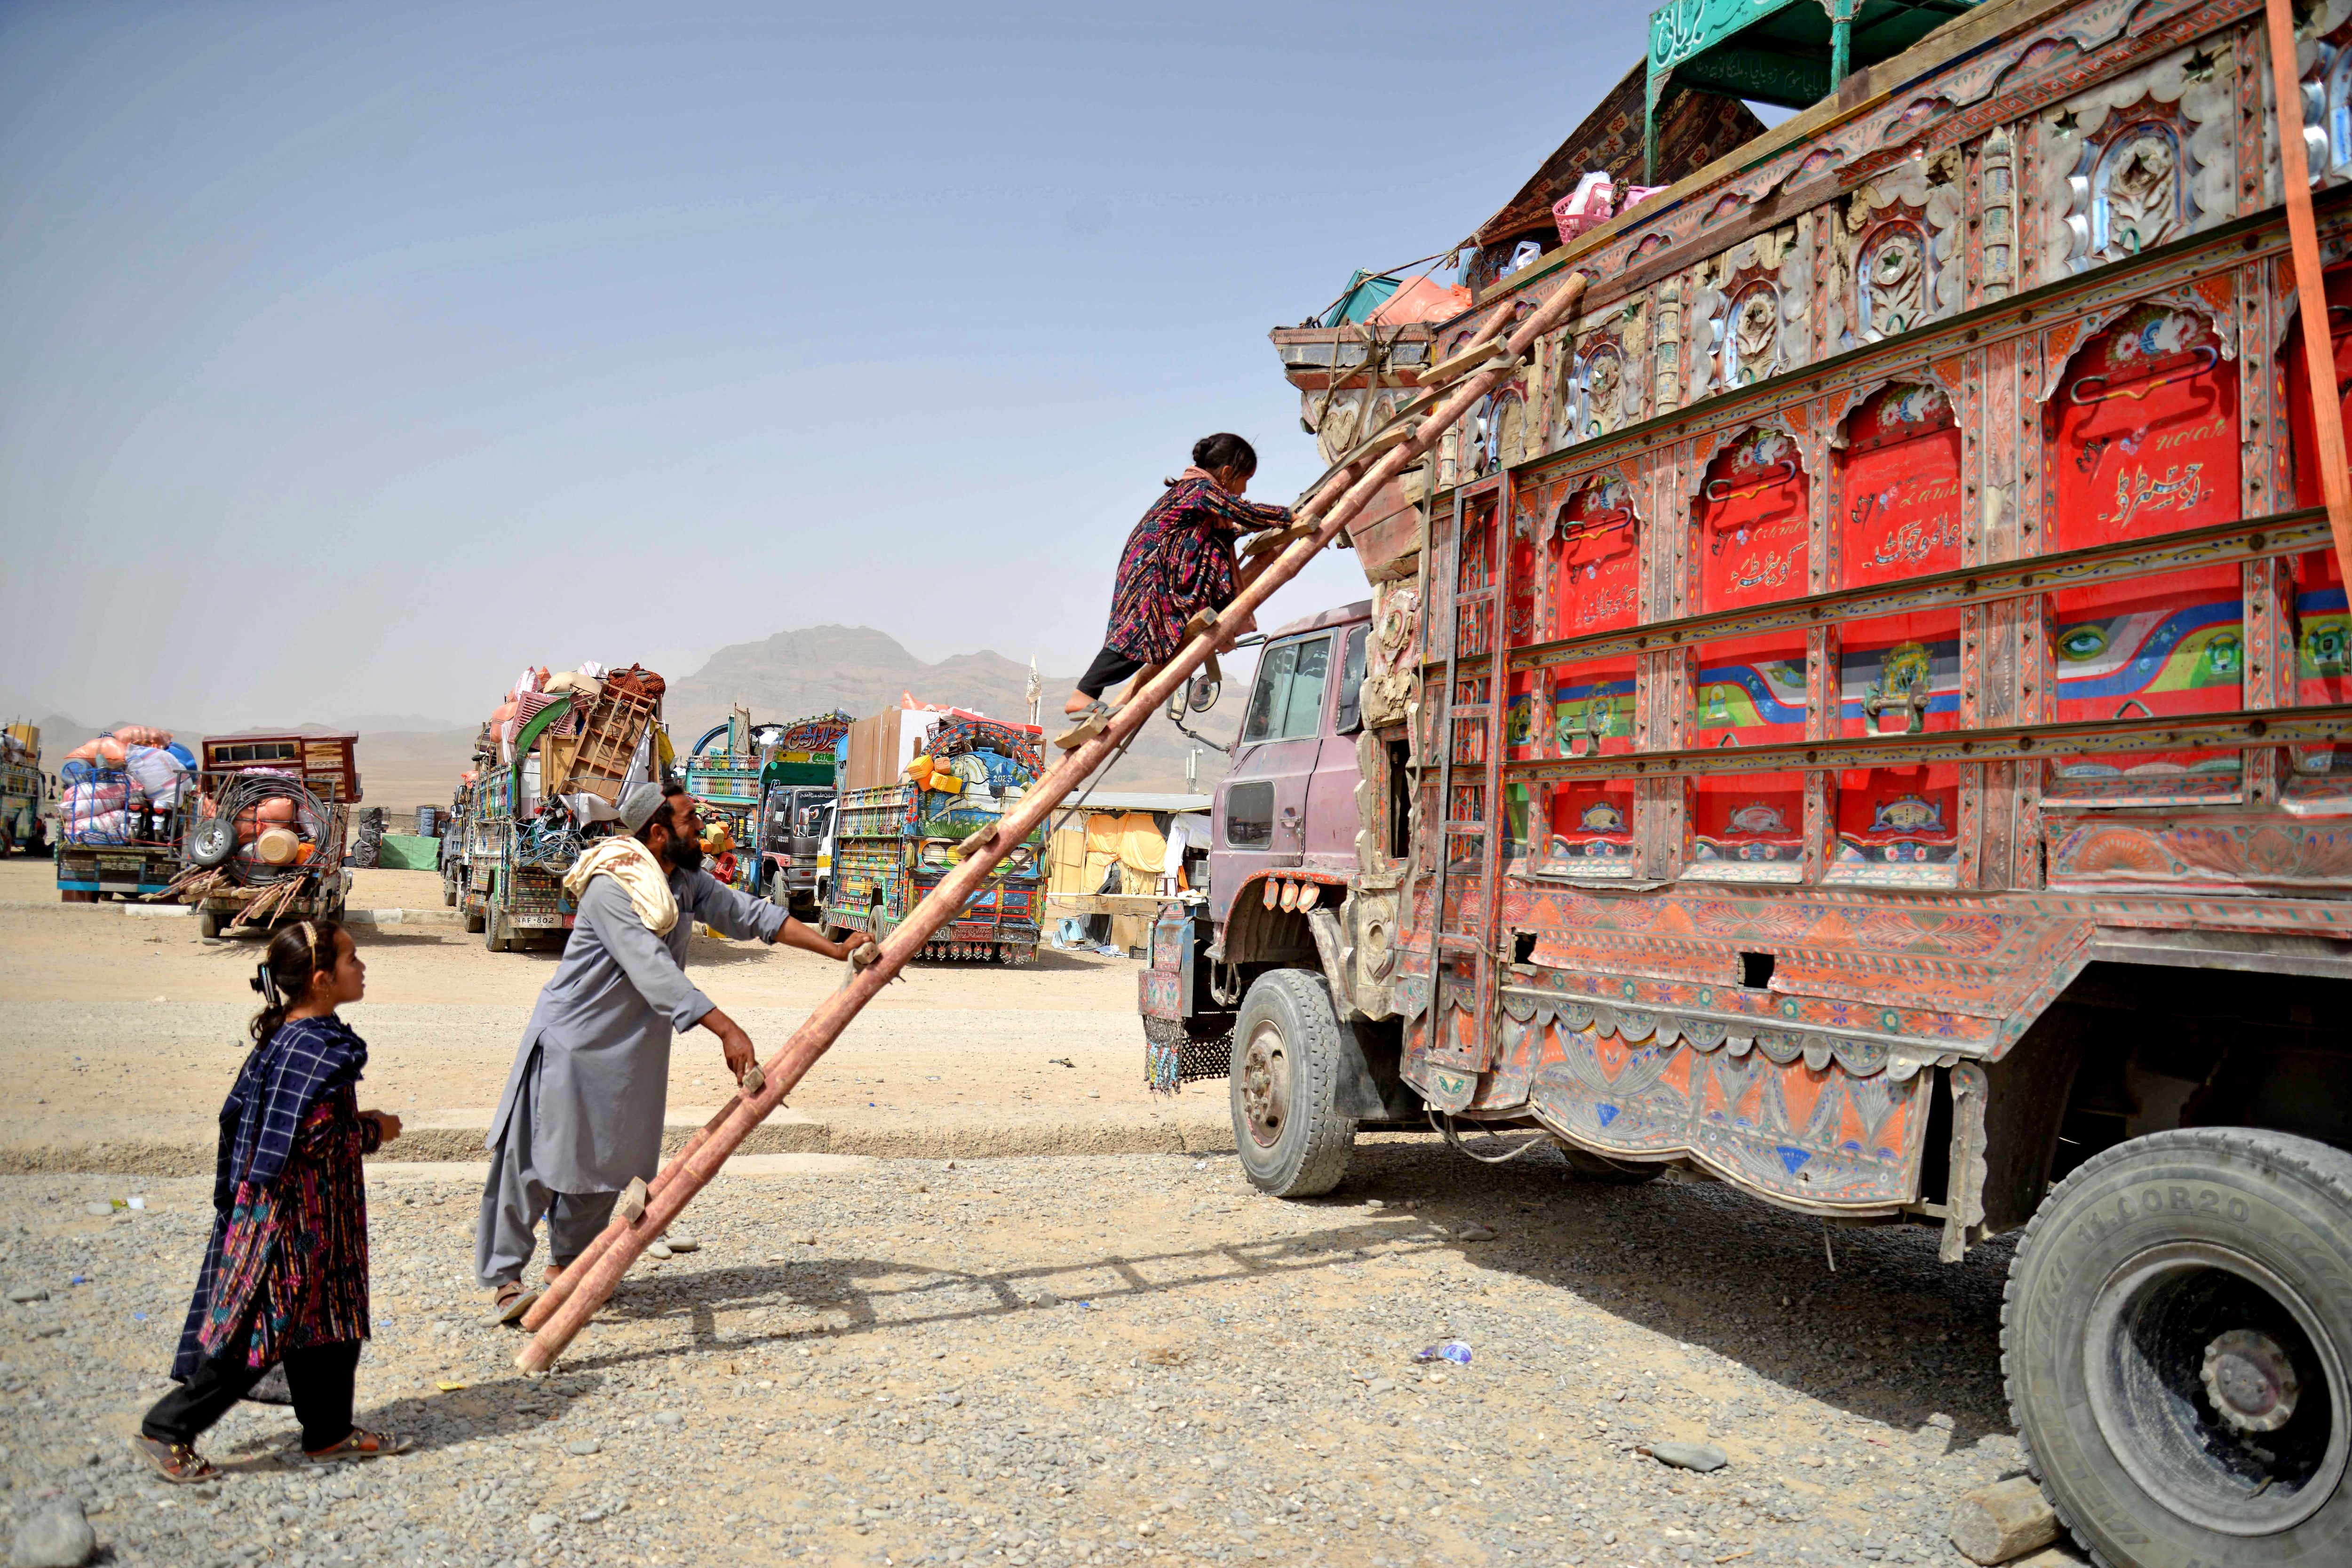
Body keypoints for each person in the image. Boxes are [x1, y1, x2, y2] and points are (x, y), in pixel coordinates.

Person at [477, 780, 870, 1321]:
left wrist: (831, 948)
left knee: (607, 1160)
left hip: (631, 1050)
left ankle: (566, 1267)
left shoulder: (684, 883)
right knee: (537, 1160)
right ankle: (504, 1279)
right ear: (657, 832)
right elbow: (652, 969)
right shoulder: (612, 887)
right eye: (689, 820)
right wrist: (726, 1028)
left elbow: (751, 914)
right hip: (573, 1041)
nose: (701, 830)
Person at [135, 919, 407, 1482]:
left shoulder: (295, 1035)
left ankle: (329, 1431)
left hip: (321, 1215)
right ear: (321, 979)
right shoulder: (314, 1049)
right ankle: (166, 1429)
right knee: (259, 1330)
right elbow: (315, 1139)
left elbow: (272, 1122)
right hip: (291, 1220)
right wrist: (376, 1130)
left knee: (331, 1321)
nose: (363, 968)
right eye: (352, 960)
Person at [1057, 432, 1292, 748]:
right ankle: (1082, 696)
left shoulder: (1197, 492)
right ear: (1226, 474)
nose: (1244, 489)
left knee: (1144, 638)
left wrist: (1248, 528)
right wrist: (1289, 517)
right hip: (1152, 571)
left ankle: (1085, 695)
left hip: (1153, 567)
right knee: (1137, 636)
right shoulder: (1201, 488)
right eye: (1244, 479)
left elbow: (1231, 523)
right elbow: (1242, 511)